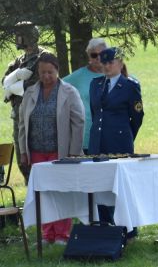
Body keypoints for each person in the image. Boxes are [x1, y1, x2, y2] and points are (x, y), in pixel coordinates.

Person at [18, 53, 84, 244]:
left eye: (50, 72)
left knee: (61, 192)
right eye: (43, 72)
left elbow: (78, 122)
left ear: (57, 71)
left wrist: (73, 152)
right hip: (36, 151)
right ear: (38, 72)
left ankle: (62, 234)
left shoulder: (69, 92)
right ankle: (47, 234)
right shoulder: (30, 92)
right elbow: (22, 124)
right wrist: (23, 151)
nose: (46, 76)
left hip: (60, 152)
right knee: (43, 194)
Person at [88, 47, 144, 238]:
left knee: (122, 188)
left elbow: (137, 117)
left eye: (110, 62)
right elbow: (96, 113)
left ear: (120, 63)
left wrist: (125, 135)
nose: (107, 66)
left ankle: (128, 228)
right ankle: (105, 225)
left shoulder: (129, 86)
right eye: (104, 62)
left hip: (120, 143)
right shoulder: (95, 84)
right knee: (100, 186)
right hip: (98, 143)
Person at [2, 21, 52, 184]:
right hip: (19, 116)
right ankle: (30, 189)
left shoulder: (45, 58)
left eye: (20, 36)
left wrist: (12, 88)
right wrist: (16, 77)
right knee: (22, 158)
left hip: (38, 117)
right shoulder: (19, 60)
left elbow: (33, 86)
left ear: (30, 37)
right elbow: (4, 82)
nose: (17, 39)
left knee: (39, 159)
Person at [62, 38, 109, 153]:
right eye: (94, 55)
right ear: (89, 56)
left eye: (102, 54)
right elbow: (57, 87)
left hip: (109, 135)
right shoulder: (77, 77)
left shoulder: (113, 75)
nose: (98, 58)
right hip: (85, 136)